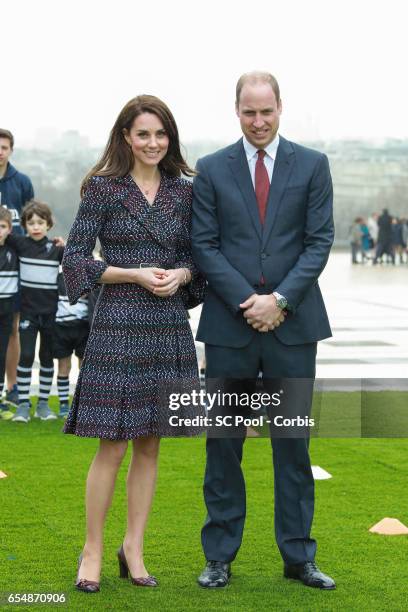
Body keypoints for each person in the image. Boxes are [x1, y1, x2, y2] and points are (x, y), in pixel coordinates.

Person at [192, 71, 335, 590]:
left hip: (293, 329)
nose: (258, 121)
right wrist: (246, 302)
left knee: (292, 445)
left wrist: (279, 300)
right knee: (223, 444)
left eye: (266, 111)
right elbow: (204, 244)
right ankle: (219, 556)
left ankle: (298, 558)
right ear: (236, 110)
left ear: (280, 108)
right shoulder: (210, 169)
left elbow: (319, 241)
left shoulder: (314, 166)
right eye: (249, 112)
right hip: (229, 330)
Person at [62, 95, 205, 593]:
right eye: (143, 134)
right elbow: (75, 262)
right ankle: (93, 549)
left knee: (150, 443)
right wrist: (133, 274)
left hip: (167, 326)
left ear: (171, 138)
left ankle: (134, 547)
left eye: (160, 134)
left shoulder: (186, 193)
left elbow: (199, 262)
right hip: (117, 322)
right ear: (126, 136)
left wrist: (182, 272)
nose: (152, 143)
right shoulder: (102, 189)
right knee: (113, 445)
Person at [7, 201, 64, 422]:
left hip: (50, 313)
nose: (36, 227)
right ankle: (23, 404)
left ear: (49, 224)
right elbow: (3, 233)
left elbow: (75, 258)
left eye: (41, 223)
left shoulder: (56, 249)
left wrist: (64, 244)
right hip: (28, 313)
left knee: (47, 357)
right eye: (31, 223)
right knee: (27, 356)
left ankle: (42, 405)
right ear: (24, 226)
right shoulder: (19, 243)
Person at [0, 129, 34, 407]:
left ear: (11, 150)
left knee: (13, 328)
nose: (0, 151)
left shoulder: (22, 182)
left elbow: (34, 219)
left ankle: (12, 386)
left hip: (14, 267)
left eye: (4, 146)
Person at [53, 273, 90, 418]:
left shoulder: (89, 276)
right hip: (61, 327)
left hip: (82, 326)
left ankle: (83, 404)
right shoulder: (59, 277)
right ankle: (63, 405)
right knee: (64, 366)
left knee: (84, 368)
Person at [0, 208, 19, 419]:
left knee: (1, 354)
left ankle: (2, 400)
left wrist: (58, 244)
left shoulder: (15, 249)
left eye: (2, 227)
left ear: (9, 229)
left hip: (6, 312)